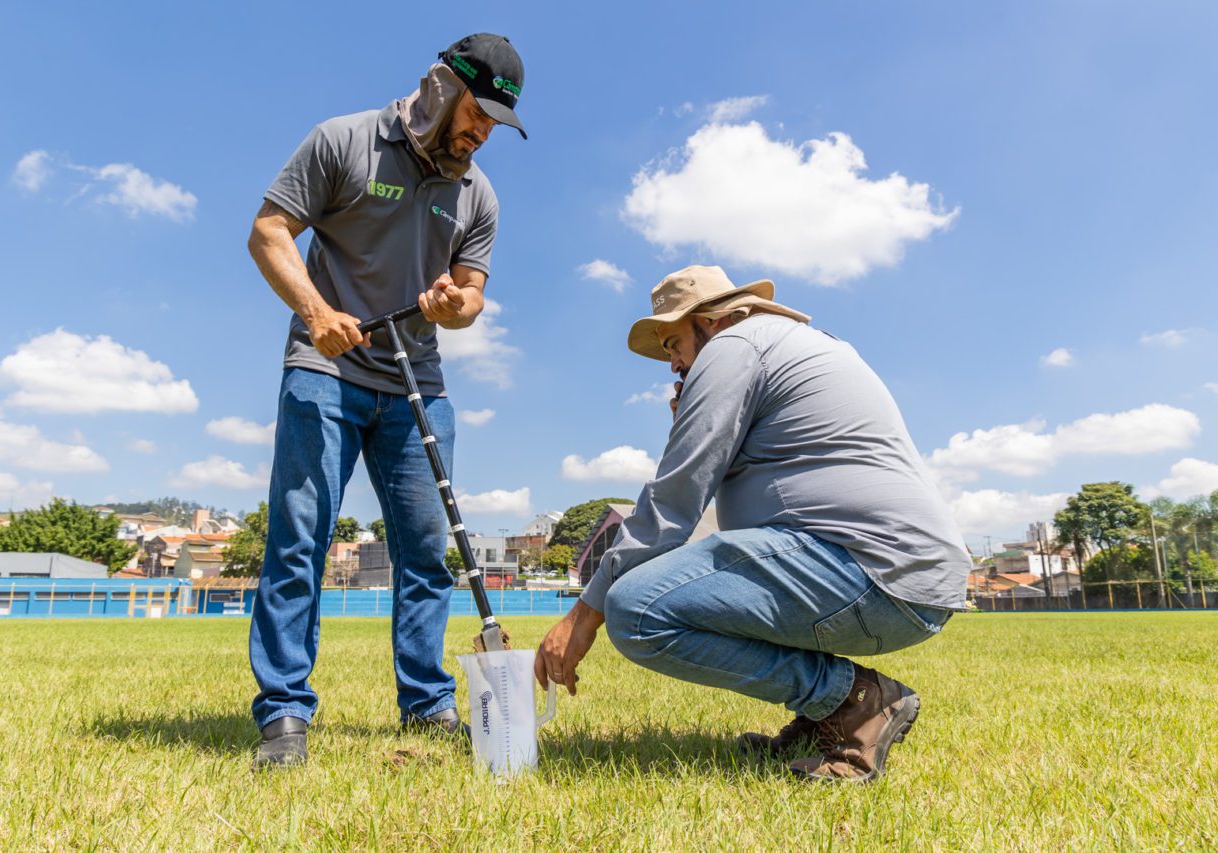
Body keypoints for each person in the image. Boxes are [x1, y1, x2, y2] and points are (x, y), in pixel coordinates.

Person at [536, 265, 972, 783]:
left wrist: (585, 613)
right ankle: (822, 719)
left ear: (718, 319)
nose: (673, 364)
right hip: (896, 575)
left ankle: (854, 702)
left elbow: (676, 498)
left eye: (674, 342)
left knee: (634, 608)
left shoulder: (734, 346)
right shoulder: (785, 346)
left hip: (868, 570)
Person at [246, 33, 527, 770]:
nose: (482, 132)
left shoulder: (477, 195)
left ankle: (428, 704)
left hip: (416, 384)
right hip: (325, 369)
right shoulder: (343, 142)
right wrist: (316, 313)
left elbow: (473, 297)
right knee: (299, 542)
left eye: (496, 124)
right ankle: (283, 715)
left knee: (426, 555)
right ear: (441, 88)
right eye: (477, 112)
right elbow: (268, 231)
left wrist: (451, 305)